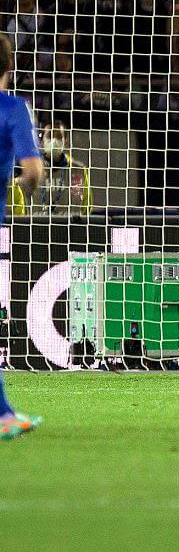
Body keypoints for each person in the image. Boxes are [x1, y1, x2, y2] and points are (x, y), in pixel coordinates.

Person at [0, 34, 44, 438]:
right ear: (8, 67)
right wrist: (30, 191)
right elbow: (32, 170)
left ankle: (4, 412)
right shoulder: (12, 108)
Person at [24, 121, 92, 217]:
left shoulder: (78, 169)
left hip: (70, 228)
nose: (54, 141)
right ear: (41, 142)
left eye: (59, 137)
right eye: (50, 136)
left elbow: (87, 205)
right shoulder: (31, 170)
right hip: (37, 227)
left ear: (65, 142)